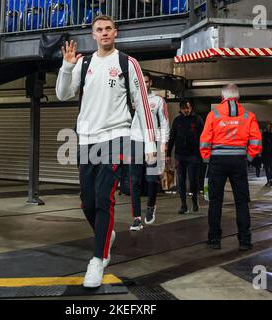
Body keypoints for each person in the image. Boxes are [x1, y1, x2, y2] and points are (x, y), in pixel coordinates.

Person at [56, 15, 156, 288]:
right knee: (87, 202)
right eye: (99, 30)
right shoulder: (84, 63)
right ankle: (106, 234)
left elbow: (143, 104)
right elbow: (63, 94)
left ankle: (98, 260)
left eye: (108, 29)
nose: (104, 33)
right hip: (87, 139)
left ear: (116, 32)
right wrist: (66, 67)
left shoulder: (128, 63)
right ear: (93, 34)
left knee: (103, 199)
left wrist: (150, 144)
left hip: (116, 137)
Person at [199, 84, 262, 251]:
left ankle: (214, 239)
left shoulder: (214, 114)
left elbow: (205, 140)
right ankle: (245, 240)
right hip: (239, 160)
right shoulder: (249, 116)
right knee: (241, 201)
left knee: (216, 200)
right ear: (238, 97)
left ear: (222, 97)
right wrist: (248, 157)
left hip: (217, 161)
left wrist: (207, 158)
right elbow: (256, 141)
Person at [129, 72, 169, 231]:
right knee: (135, 181)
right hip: (135, 141)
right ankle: (137, 218)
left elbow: (165, 122)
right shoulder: (133, 99)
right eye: (141, 82)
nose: (144, 84)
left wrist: (164, 142)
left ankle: (151, 205)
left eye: (146, 81)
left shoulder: (158, 100)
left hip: (152, 142)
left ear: (150, 83)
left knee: (152, 179)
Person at [166, 99, 204, 214]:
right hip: (179, 156)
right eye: (184, 108)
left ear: (191, 108)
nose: (186, 110)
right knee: (181, 181)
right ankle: (183, 205)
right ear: (181, 109)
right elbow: (172, 137)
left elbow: (203, 137)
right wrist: (168, 154)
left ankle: (194, 199)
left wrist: (203, 153)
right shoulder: (177, 121)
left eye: (188, 108)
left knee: (193, 180)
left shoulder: (197, 120)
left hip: (193, 156)